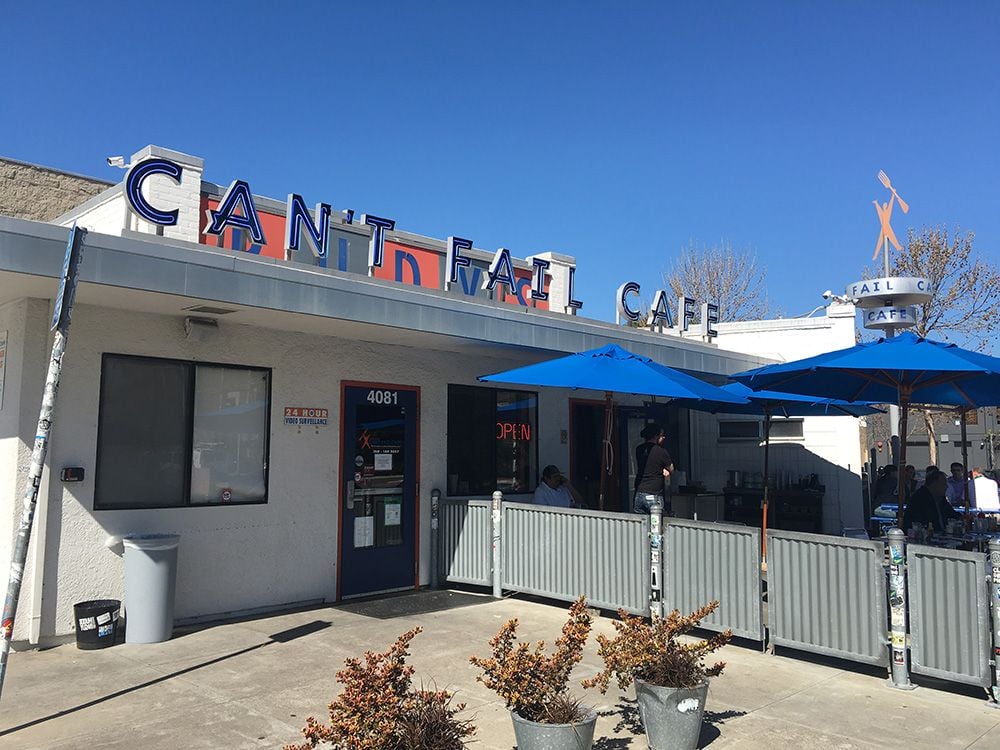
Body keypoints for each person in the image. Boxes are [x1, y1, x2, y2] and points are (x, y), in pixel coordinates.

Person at [633, 423, 673, 514]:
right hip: (653, 493)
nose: (664, 437)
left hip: (639, 493)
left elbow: (649, 464)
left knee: (641, 524)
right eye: (662, 435)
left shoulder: (639, 449)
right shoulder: (661, 451)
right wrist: (664, 469)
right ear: (656, 436)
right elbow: (671, 468)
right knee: (657, 525)